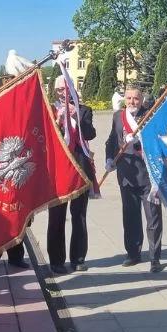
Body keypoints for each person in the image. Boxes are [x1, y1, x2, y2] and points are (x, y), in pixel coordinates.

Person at [105, 85, 164, 272]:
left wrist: (139, 140)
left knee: (153, 218)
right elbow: (112, 140)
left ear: (142, 100)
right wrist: (109, 158)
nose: (132, 102)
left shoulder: (150, 116)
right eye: (128, 98)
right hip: (126, 175)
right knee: (130, 217)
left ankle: (155, 258)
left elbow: (159, 142)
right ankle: (133, 253)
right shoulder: (118, 116)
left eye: (135, 99)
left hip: (148, 176)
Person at [50, 74, 97, 273]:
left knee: (79, 215)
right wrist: (58, 120)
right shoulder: (50, 109)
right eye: (60, 90)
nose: (63, 93)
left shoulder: (84, 109)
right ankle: (56, 261)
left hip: (80, 168)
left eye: (66, 88)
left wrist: (75, 114)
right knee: (57, 217)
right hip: (58, 170)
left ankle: (78, 258)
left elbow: (90, 134)